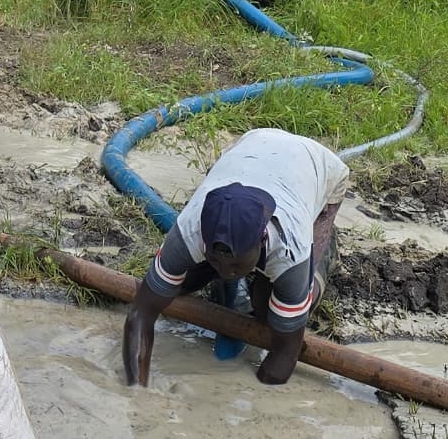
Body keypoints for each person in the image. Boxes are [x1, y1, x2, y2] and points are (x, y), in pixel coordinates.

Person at [121, 128, 347, 388]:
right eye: (216, 260)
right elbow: (141, 313)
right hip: (254, 145)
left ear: (262, 240)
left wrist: (254, 394)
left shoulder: (290, 251)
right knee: (181, 283)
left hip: (318, 168)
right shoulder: (189, 230)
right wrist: (136, 391)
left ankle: (326, 255)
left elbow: (285, 352)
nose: (226, 271)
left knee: (268, 314)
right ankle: (231, 266)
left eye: (236, 264)